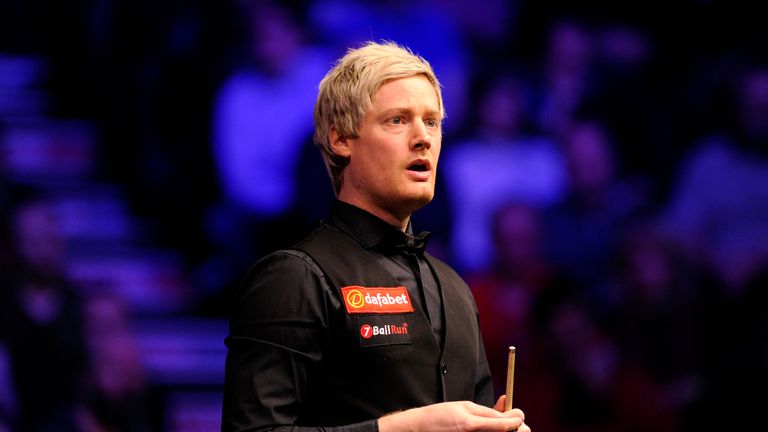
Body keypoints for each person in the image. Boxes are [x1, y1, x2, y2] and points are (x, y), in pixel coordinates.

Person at [222, 41, 530, 432]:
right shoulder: (294, 278)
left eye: (432, 121)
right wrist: (408, 428)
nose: (423, 138)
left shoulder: (455, 289)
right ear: (341, 139)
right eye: (398, 120)